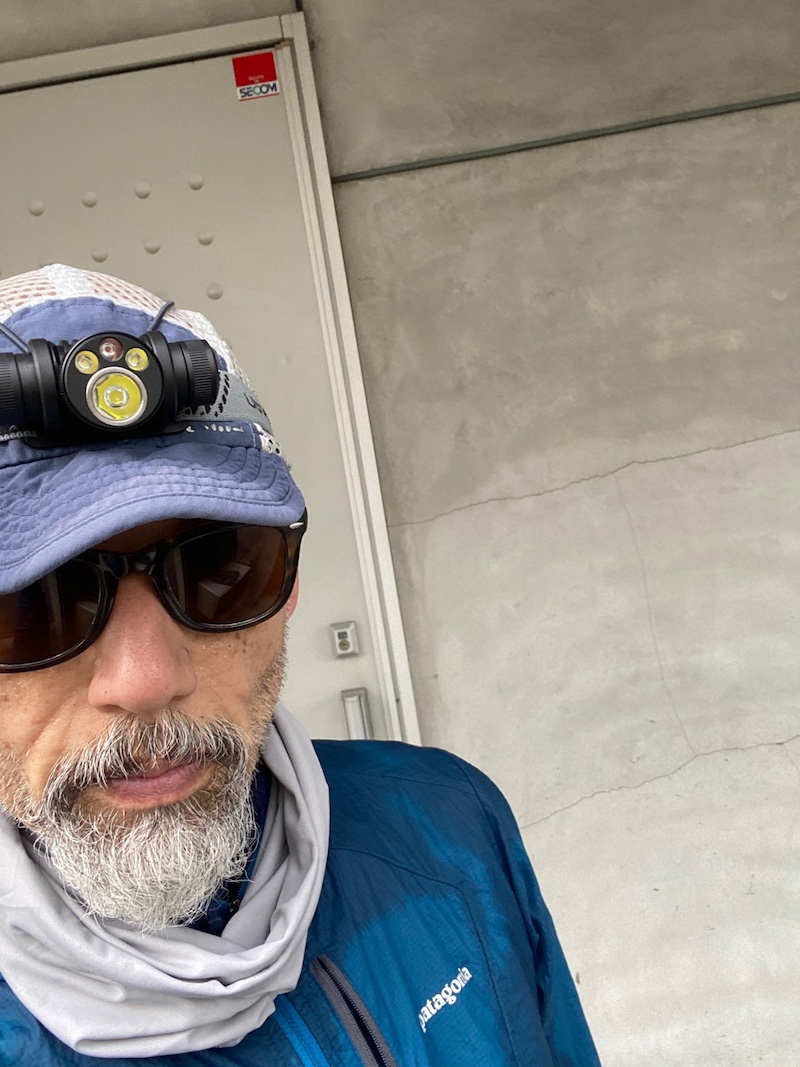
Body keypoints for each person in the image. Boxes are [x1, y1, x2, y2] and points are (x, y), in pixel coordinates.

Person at [0, 264, 601, 1066]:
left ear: (287, 591)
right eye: (32, 606)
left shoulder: (451, 825)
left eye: (217, 565)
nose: (146, 678)